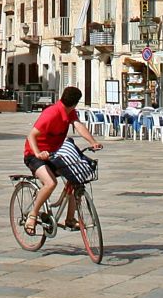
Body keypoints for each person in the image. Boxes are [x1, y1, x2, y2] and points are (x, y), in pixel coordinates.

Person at [21, 86, 103, 235]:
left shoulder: (70, 112)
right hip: (34, 155)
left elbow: (78, 126)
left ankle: (70, 219)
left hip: (53, 154)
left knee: (74, 178)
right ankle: (32, 215)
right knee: (51, 183)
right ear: (75, 103)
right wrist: (38, 153)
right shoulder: (51, 114)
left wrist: (93, 142)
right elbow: (31, 136)